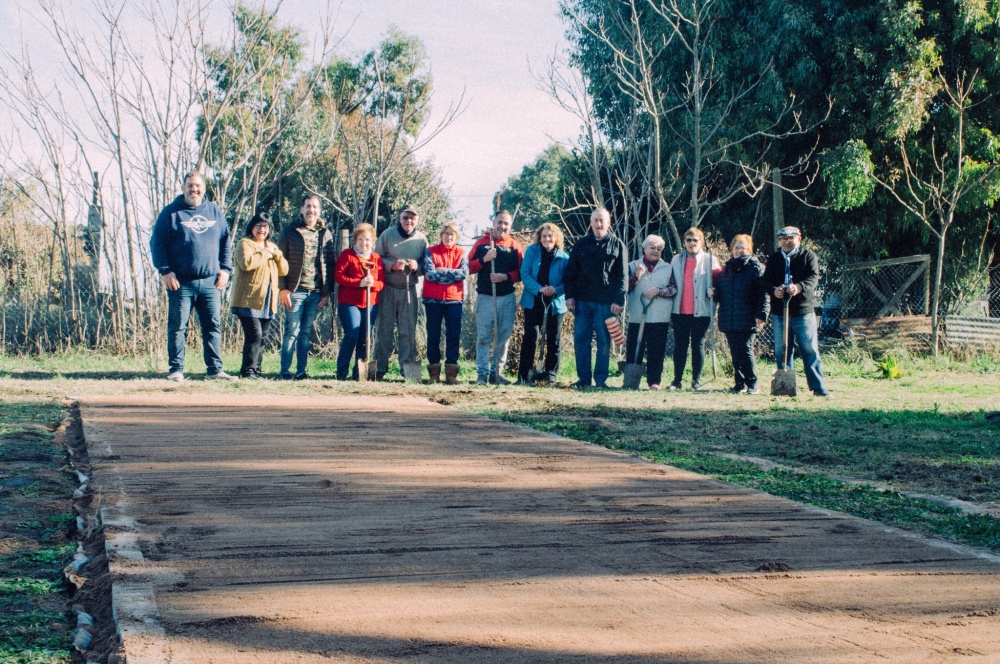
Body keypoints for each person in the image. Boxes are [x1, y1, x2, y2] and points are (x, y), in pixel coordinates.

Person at [150, 171, 233, 382]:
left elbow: (226, 242)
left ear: (204, 188)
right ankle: (176, 370)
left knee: (213, 326)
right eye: (190, 185)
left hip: (210, 282)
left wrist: (225, 269)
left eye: (197, 186)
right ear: (183, 187)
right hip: (181, 282)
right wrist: (165, 270)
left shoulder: (215, 212)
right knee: (178, 326)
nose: (193, 189)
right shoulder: (170, 213)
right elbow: (157, 243)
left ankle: (215, 370)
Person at [563, 207, 627, 389]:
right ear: (590, 223)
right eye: (595, 220)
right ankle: (583, 379)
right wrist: (570, 297)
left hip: (606, 303)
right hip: (582, 303)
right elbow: (570, 273)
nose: (599, 224)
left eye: (602, 220)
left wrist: (618, 300)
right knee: (581, 340)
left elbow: (622, 276)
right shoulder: (580, 245)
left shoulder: (617, 245)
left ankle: (600, 380)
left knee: (604, 341)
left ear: (609, 223)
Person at [763, 226, 830, 397]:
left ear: (799, 239)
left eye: (790, 238)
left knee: (809, 349)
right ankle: (786, 388)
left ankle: (818, 388)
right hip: (780, 312)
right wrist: (774, 290)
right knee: (782, 350)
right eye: (783, 239)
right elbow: (765, 281)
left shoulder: (808, 256)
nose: (786, 241)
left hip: (802, 312)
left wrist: (798, 287)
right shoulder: (774, 259)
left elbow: (813, 278)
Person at [275, 195, 336, 380]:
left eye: (315, 207)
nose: (312, 210)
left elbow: (330, 263)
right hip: (295, 291)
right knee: (291, 331)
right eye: (308, 206)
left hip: (316, 292)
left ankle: (301, 371)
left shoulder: (325, 233)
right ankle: (285, 371)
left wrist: (327, 292)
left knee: (305, 333)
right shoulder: (289, 231)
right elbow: (279, 261)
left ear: (319, 211)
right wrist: (283, 289)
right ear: (301, 209)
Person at [229, 213, 289, 379]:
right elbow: (246, 264)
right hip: (248, 299)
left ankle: (255, 370)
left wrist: (275, 254)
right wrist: (264, 253)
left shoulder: (272, 246)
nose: (262, 230)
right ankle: (248, 371)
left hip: (267, 300)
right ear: (252, 227)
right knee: (254, 334)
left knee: (263, 336)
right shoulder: (244, 244)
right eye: (258, 226)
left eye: (265, 226)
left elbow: (284, 269)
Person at [468, 210, 524, 384]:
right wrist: (485, 259)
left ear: (510, 226)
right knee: (484, 336)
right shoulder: (481, 243)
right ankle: (482, 374)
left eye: (506, 223)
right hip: (486, 297)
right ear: (493, 223)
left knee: (503, 337)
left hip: (507, 297)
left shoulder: (514, 246)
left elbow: (522, 273)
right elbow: (468, 268)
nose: (502, 226)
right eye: (500, 222)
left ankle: (496, 374)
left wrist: (505, 277)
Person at [374, 205, 428, 381]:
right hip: (387, 289)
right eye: (405, 217)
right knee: (384, 331)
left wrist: (416, 268)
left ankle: (407, 369)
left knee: (407, 331)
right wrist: (392, 265)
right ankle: (379, 369)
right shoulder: (387, 235)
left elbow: (427, 266)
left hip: (408, 290)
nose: (408, 221)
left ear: (417, 220)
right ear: (400, 218)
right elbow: (375, 259)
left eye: (412, 218)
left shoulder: (421, 240)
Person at [711, 234, 767, 394]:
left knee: (745, 348)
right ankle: (740, 383)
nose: (739, 250)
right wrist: (714, 292)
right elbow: (721, 292)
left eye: (742, 247)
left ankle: (752, 383)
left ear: (749, 248)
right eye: (736, 247)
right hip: (729, 317)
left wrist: (761, 315)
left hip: (748, 317)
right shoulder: (727, 269)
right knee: (735, 351)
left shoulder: (756, 268)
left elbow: (764, 294)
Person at [668, 227, 722, 390]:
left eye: (695, 240)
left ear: (701, 242)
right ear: (684, 242)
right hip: (680, 309)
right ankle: (677, 381)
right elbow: (670, 282)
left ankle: (696, 381)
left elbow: (720, 283)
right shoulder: (676, 260)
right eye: (688, 240)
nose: (691, 243)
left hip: (702, 309)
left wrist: (715, 291)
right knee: (680, 345)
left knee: (698, 344)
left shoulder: (710, 260)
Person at [517, 223, 569, 384]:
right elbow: (524, 274)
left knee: (553, 339)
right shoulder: (532, 251)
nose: (547, 239)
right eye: (544, 236)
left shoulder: (564, 257)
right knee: (531, 337)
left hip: (555, 303)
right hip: (534, 300)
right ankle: (524, 375)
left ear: (556, 238)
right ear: (540, 238)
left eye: (550, 236)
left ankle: (550, 374)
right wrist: (540, 289)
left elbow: (568, 281)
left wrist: (555, 290)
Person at [334, 224, 384, 380]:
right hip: (349, 303)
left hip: (370, 303)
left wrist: (372, 284)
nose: (364, 243)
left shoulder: (376, 259)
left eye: (367, 239)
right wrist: (359, 283)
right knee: (352, 334)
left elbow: (381, 282)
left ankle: (359, 374)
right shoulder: (347, 255)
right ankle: (342, 372)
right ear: (355, 240)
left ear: (372, 241)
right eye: (360, 239)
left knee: (364, 338)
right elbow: (339, 276)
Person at [625, 235, 675, 389]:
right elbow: (625, 289)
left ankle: (654, 381)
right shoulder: (633, 265)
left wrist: (658, 291)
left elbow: (673, 290)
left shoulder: (667, 267)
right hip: (637, 315)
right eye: (652, 248)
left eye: (659, 249)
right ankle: (631, 381)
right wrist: (637, 276)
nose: (655, 251)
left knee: (656, 350)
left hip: (659, 316)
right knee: (634, 349)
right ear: (644, 248)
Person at [422, 221, 469, 384]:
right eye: (446, 233)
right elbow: (430, 274)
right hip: (432, 299)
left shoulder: (462, 253)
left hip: (454, 300)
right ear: (441, 235)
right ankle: (434, 373)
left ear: (456, 237)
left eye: (452, 234)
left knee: (453, 336)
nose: (449, 237)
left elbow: (463, 274)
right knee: (433, 335)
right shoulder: (430, 252)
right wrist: (451, 276)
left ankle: (451, 375)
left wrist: (443, 271)